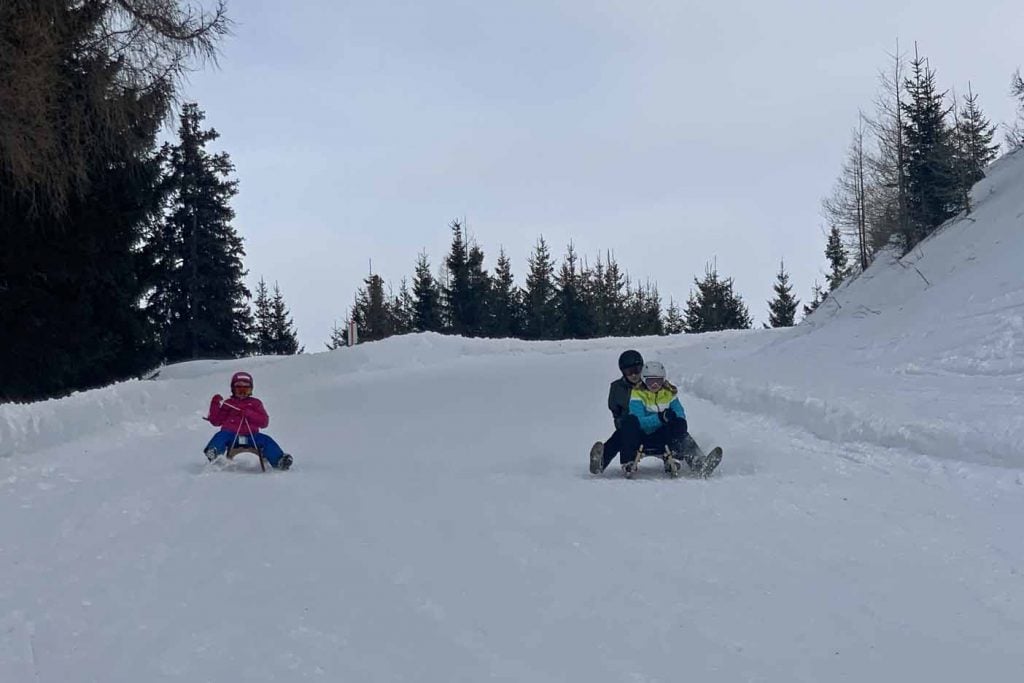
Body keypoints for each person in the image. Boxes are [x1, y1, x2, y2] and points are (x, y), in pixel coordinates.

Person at [203, 371, 293, 470]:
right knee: (221, 435)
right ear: (233, 389)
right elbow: (216, 421)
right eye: (239, 388)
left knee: (266, 440)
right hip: (231, 435)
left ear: (251, 390)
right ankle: (214, 451)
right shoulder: (228, 404)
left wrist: (249, 413)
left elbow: (264, 422)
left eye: (246, 389)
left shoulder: (255, 403)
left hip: (252, 436)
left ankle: (279, 460)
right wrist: (215, 404)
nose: (242, 392)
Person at [617, 360, 691, 476]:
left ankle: (698, 461)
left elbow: (680, 413)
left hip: (663, 435)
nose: (655, 385)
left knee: (679, 424)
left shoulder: (669, 394)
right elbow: (639, 420)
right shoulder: (638, 394)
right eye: (651, 381)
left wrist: (677, 421)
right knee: (629, 422)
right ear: (644, 380)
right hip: (643, 436)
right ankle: (628, 460)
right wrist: (660, 418)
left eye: (658, 381)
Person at [589, 349, 646, 474]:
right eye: (629, 372)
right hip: (630, 428)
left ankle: (696, 459)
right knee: (620, 435)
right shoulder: (617, 388)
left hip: (652, 425)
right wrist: (622, 424)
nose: (634, 375)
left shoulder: (651, 383)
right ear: (623, 372)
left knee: (675, 426)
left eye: (636, 370)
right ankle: (600, 462)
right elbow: (616, 412)